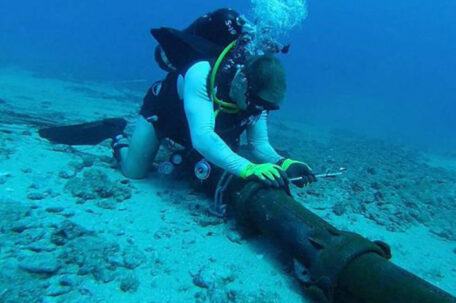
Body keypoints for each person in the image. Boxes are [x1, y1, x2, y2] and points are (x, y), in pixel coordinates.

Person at [111, 8, 317, 189]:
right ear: (242, 83)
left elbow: (259, 144)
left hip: (197, 127)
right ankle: (118, 138)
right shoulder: (202, 72)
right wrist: (247, 168)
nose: (259, 110)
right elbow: (202, 136)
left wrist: (285, 163)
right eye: (258, 104)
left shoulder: (256, 101)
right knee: (134, 172)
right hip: (165, 114)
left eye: (267, 106)